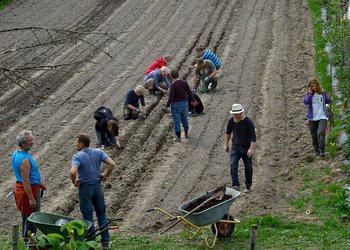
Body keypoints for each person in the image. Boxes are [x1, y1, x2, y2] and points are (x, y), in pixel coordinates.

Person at [70, 134, 116, 250]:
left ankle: (91, 244)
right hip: (97, 187)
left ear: (81, 143)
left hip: (85, 188)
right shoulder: (98, 152)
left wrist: (74, 182)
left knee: (88, 217)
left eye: (77, 142)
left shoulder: (77, 156)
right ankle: (105, 243)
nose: (75, 144)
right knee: (101, 214)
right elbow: (112, 164)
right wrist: (105, 175)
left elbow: (73, 172)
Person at [11, 130, 46, 238]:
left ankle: (26, 240)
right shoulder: (24, 160)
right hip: (29, 191)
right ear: (23, 144)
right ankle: (30, 242)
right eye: (30, 140)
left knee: (26, 217)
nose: (32, 142)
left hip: (27, 188)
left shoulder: (16, 153)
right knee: (32, 218)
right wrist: (31, 199)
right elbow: (25, 180)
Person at [224, 104, 256, 193]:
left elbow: (253, 137)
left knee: (248, 167)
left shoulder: (248, 122)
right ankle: (235, 185)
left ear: (241, 112)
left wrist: (251, 149)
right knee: (233, 164)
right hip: (236, 147)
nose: (235, 116)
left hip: (246, 147)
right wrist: (226, 144)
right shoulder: (231, 121)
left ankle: (248, 186)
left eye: (236, 114)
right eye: (233, 114)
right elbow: (228, 132)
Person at [303, 79, 331, 157]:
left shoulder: (322, 93)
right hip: (312, 118)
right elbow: (306, 102)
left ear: (317, 86)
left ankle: (322, 150)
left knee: (320, 132)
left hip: (322, 116)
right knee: (314, 135)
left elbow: (327, 101)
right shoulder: (309, 94)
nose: (313, 87)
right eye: (312, 86)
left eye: (315, 86)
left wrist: (329, 100)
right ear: (310, 87)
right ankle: (317, 150)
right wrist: (310, 94)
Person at [166, 69, 195, 142]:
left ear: (171, 76)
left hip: (176, 105)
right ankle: (186, 133)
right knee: (184, 118)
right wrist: (193, 100)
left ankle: (178, 138)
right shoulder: (184, 82)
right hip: (184, 103)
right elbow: (189, 92)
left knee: (177, 121)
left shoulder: (173, 85)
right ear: (178, 74)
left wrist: (167, 105)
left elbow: (171, 97)